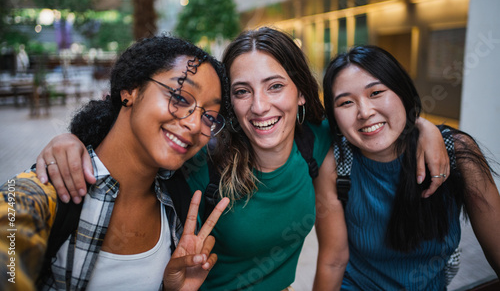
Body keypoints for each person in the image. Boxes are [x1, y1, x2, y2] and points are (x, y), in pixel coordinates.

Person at [34, 28, 450, 290]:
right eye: (242, 91)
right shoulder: (198, 159)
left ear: (301, 92)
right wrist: (70, 140)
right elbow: (136, 145)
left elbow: (374, 120)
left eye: (274, 86)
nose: (260, 106)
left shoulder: (319, 141)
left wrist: (423, 126)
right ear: (231, 103)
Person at [0, 35, 231, 291]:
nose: (195, 124)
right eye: (180, 97)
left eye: (210, 116)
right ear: (131, 90)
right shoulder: (42, 191)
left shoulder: (176, 203)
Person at [314, 45, 500, 290]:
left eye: (376, 92)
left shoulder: (456, 153)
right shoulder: (335, 164)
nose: (365, 112)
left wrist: (424, 126)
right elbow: (333, 262)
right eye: (346, 102)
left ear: (402, 92)